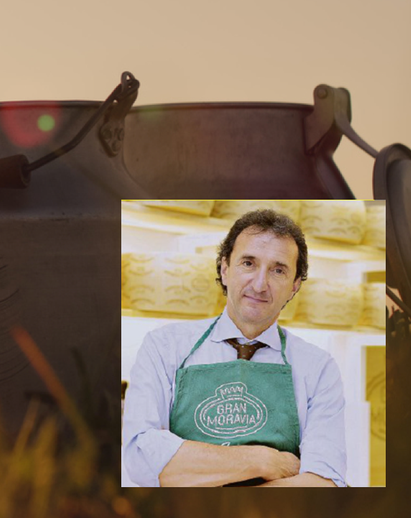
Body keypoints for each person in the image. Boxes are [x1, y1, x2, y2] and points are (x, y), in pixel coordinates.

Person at [121, 208, 346, 487]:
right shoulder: (164, 346)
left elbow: (323, 482)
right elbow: (141, 459)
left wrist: (191, 468)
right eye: (248, 263)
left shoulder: (319, 367)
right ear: (225, 269)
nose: (260, 284)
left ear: (295, 286)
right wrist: (262, 460)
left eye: (278, 270)